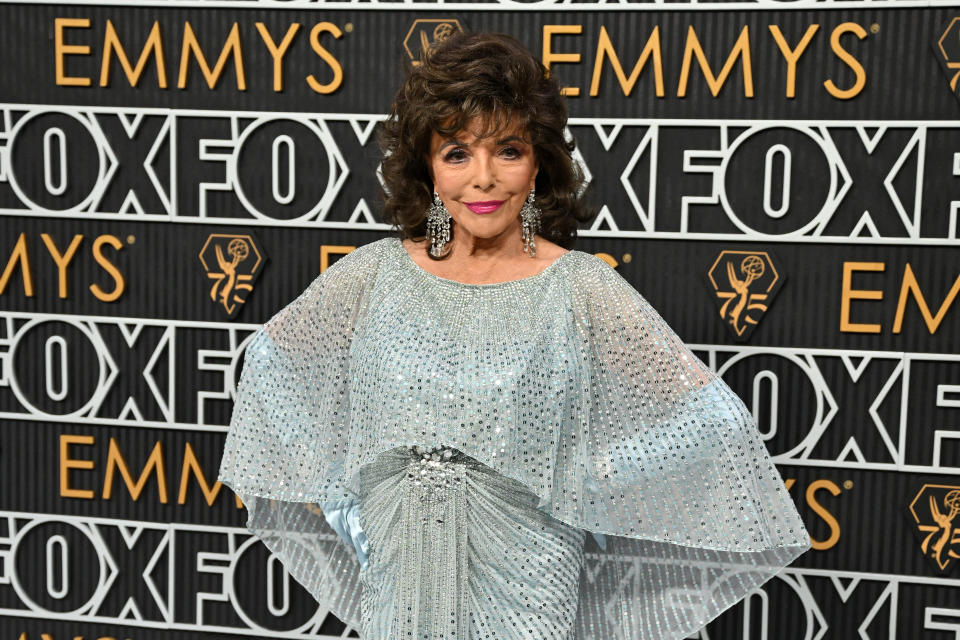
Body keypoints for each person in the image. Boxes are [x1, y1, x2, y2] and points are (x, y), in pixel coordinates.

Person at [217, 31, 811, 640]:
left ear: (537, 162)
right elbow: (271, 365)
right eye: (456, 152)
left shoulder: (579, 287)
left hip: (528, 583)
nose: (483, 179)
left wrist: (581, 478)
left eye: (506, 150)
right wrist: (346, 495)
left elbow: (711, 422)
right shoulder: (371, 275)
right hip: (399, 577)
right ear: (427, 164)